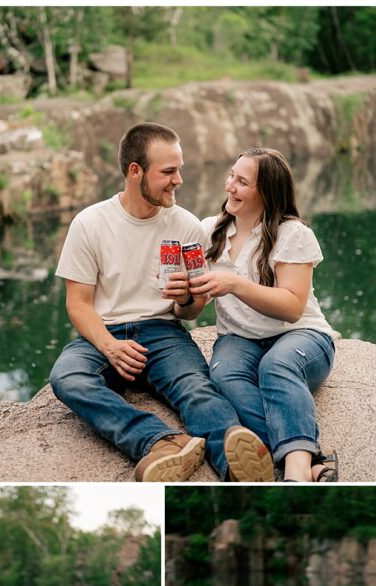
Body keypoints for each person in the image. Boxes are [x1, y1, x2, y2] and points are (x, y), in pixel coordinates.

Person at [50, 121, 273, 483]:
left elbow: (191, 311)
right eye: (168, 171)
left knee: (196, 388)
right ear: (135, 171)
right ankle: (160, 441)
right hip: (104, 332)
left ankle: (234, 459)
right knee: (68, 378)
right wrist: (109, 346)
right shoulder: (89, 223)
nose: (178, 180)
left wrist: (188, 298)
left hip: (163, 331)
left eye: (179, 169)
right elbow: (77, 303)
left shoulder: (186, 226)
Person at [189, 148, 338, 483]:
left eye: (242, 182)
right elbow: (192, 309)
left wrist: (234, 284)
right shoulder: (208, 230)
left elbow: (291, 307)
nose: (230, 186)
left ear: (267, 193)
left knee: (277, 366)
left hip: (301, 334)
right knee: (224, 375)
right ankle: (308, 459)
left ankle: (297, 475)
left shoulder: (292, 233)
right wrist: (186, 295)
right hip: (239, 339)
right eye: (231, 176)